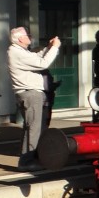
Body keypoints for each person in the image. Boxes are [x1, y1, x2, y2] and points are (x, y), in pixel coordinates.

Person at [8, 26, 61, 169]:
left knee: (31, 127)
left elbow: (36, 57)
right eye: (27, 35)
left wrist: (48, 47)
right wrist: (55, 48)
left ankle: (27, 160)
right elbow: (42, 63)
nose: (29, 37)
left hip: (31, 93)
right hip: (30, 93)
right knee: (34, 128)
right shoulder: (16, 52)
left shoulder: (20, 51)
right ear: (20, 39)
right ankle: (27, 161)